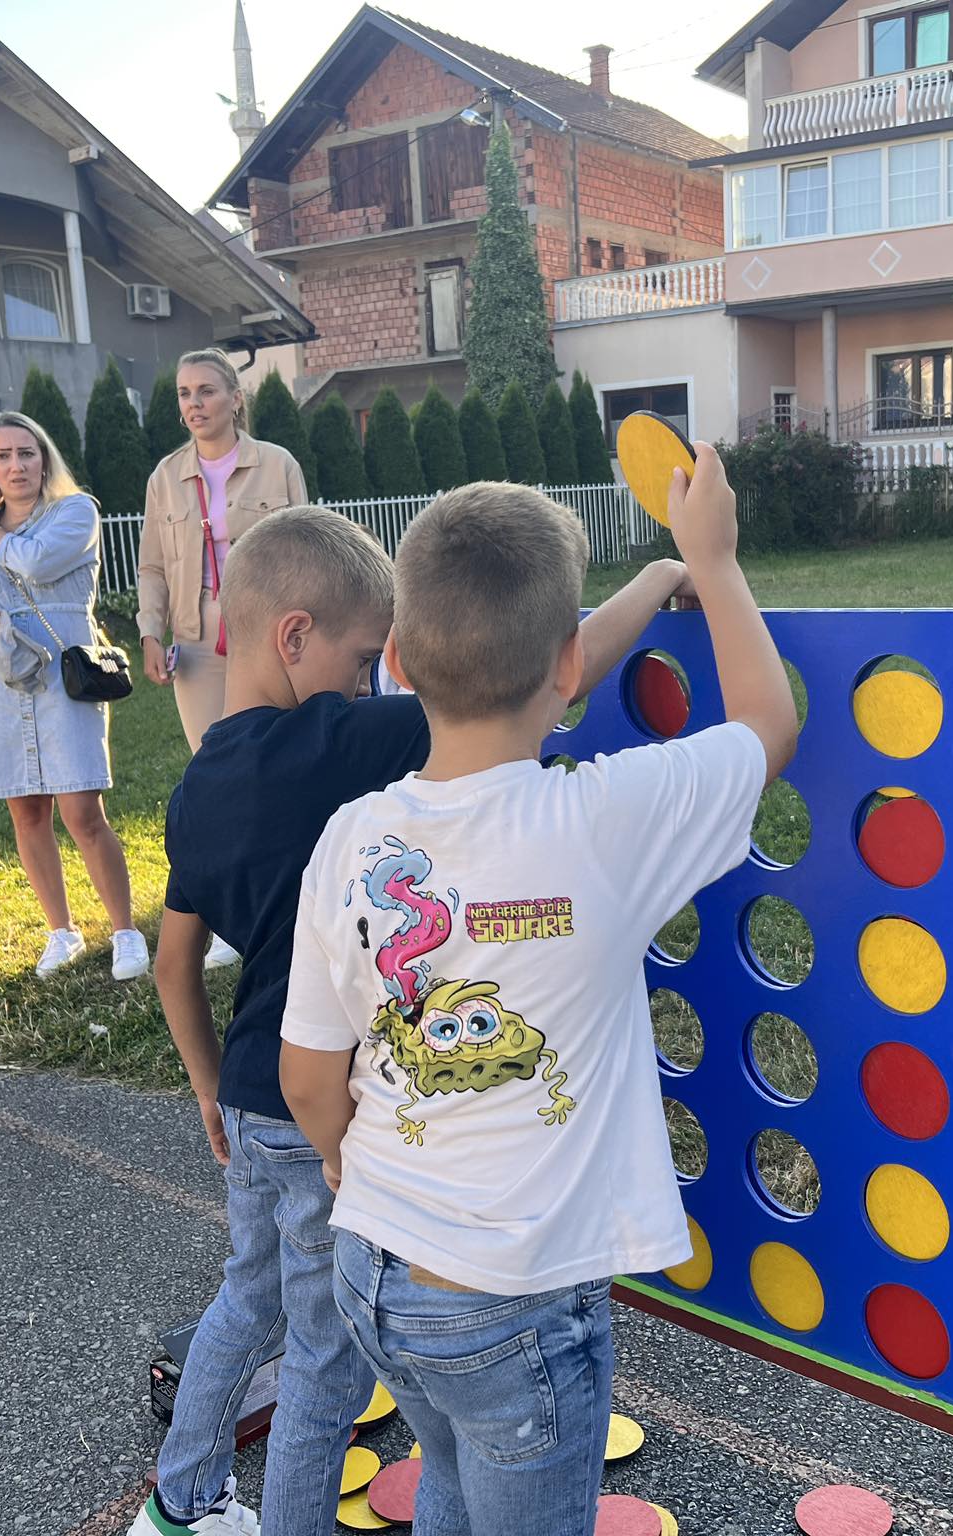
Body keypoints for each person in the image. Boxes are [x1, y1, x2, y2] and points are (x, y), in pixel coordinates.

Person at [134, 504, 692, 1536]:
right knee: (322, 1369)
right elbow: (538, 680)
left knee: (244, 1300)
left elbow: (174, 964)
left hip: (247, 1101)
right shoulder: (343, 742)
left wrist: (208, 1089)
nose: (367, 686)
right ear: (293, 637)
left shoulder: (197, 780)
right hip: (316, 1111)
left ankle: (182, 1496)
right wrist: (659, 579)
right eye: (360, 662)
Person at [280, 448, 798, 1536]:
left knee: (449, 1485)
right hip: (510, 1303)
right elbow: (766, 725)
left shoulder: (349, 837)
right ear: (570, 664)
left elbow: (307, 1078)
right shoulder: (598, 820)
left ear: (399, 661)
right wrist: (709, 561)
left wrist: (341, 1159)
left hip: (371, 1267)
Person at [0, 411, 148, 982]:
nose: (16, 466)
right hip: (1, 676)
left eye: (26, 453)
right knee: (26, 811)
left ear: (44, 458)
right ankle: (62, 931)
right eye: (3, 456)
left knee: (83, 811)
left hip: (64, 673)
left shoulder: (75, 512)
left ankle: (125, 931)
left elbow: (36, 561)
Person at [137, 349, 307, 971]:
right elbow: (153, 565)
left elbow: (307, 548)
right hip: (198, 638)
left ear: (236, 398)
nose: (194, 404)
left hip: (266, 629)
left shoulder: (278, 465)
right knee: (218, 773)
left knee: (279, 763)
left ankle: (295, 898)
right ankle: (234, 919)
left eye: (206, 390)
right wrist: (149, 632)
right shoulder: (166, 476)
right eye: (184, 393)